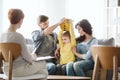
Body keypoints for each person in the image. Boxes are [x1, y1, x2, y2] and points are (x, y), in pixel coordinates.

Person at [0, 9, 48, 80]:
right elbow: (28, 58)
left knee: (42, 71)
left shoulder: (2, 35)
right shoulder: (18, 36)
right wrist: (33, 57)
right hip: (18, 70)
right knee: (43, 65)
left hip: (6, 70)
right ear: (20, 20)